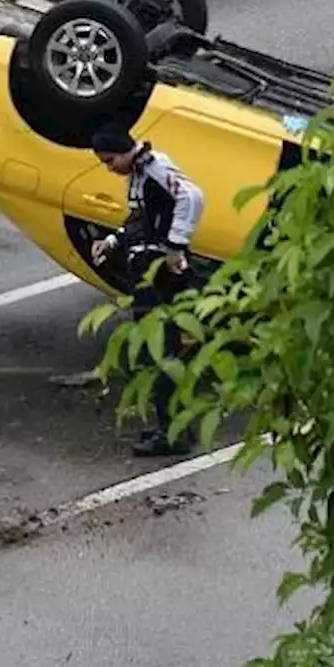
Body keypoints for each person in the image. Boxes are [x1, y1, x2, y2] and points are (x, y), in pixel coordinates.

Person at [89, 122, 206, 457]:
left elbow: (193, 197)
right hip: (148, 269)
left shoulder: (156, 168)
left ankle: (174, 433)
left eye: (110, 161)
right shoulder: (141, 174)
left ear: (126, 152)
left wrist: (175, 246)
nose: (110, 169)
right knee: (159, 352)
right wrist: (112, 241)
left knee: (159, 353)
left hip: (159, 275)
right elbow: (140, 217)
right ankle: (170, 425)